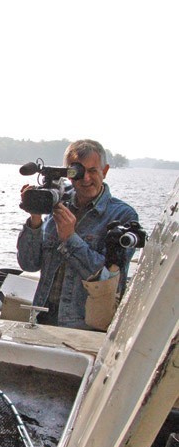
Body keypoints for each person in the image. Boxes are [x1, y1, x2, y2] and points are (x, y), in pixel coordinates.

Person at [16, 139, 138, 329]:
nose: (86, 179)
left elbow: (108, 279)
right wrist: (35, 219)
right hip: (41, 318)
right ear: (68, 173)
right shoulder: (56, 201)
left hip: (83, 327)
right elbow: (29, 264)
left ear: (104, 171)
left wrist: (70, 238)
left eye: (92, 171)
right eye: (78, 172)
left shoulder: (123, 216)